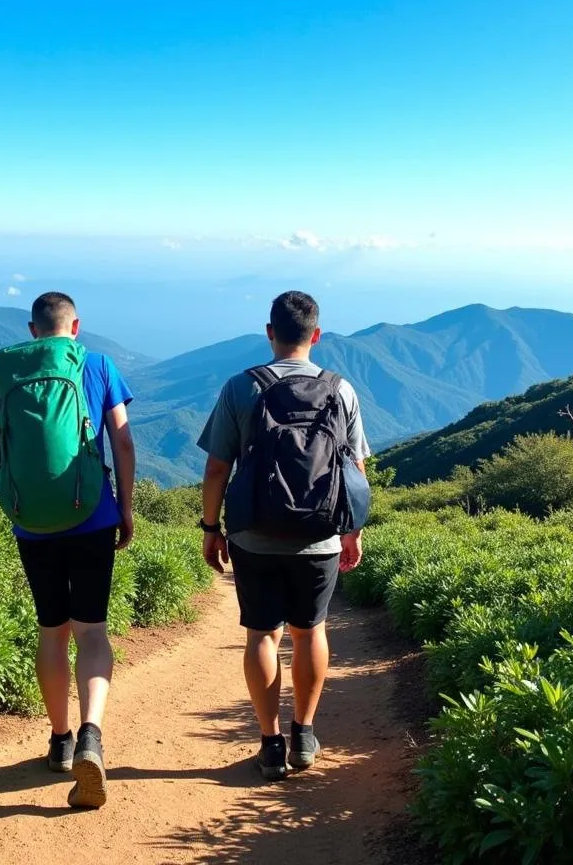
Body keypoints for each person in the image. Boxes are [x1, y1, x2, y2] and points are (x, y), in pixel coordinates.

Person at [0, 292, 136, 809]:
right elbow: (123, 442)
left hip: (32, 523)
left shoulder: (11, 372)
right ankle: (91, 734)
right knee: (91, 632)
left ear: (33, 329)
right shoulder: (100, 364)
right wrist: (125, 509)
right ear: (76, 326)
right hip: (93, 516)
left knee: (51, 631)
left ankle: (60, 741)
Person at [196, 290, 370, 781]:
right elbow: (355, 470)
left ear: (269, 332)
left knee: (262, 634)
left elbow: (216, 468)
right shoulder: (342, 390)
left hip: (255, 534)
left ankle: (270, 742)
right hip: (320, 536)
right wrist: (352, 530)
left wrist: (212, 528)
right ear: (316, 335)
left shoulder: (241, 387)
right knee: (310, 630)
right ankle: (305, 732)